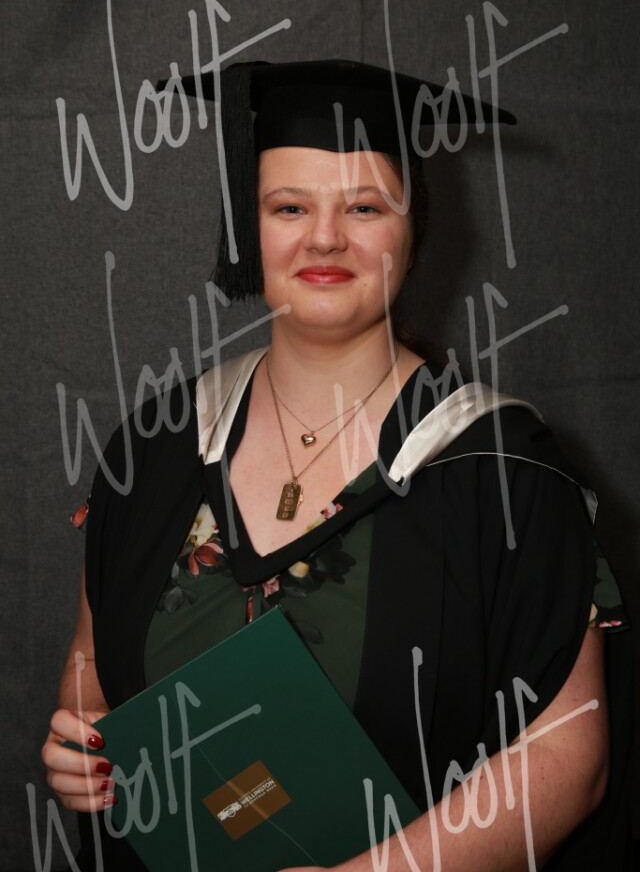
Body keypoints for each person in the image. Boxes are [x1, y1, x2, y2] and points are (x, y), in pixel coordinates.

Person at [42, 60, 632, 870]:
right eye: (289, 207)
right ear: (248, 228)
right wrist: (81, 743)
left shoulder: (504, 473)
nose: (324, 237)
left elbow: (570, 757)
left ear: (413, 232)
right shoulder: (155, 446)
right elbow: (91, 662)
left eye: (364, 207)